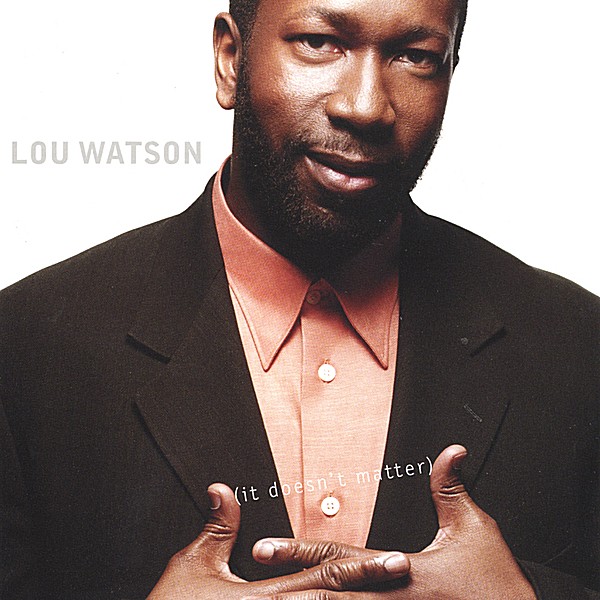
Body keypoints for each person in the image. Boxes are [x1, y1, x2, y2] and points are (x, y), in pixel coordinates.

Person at [1, 0, 598, 598]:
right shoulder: (25, 348)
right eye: (319, 42)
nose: (366, 106)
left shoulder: (574, 343)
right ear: (230, 59)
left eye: (416, 56)